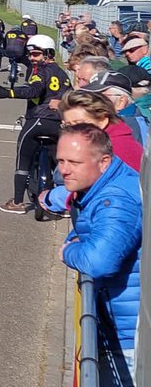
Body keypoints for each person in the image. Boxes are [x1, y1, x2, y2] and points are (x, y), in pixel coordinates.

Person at [38, 124, 141, 381]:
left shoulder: (115, 200)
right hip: (119, 326)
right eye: (61, 160)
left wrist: (69, 251)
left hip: (127, 340)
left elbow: (98, 261)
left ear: (104, 162)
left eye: (74, 162)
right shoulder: (104, 187)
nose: (64, 170)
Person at [0, 34, 71, 214]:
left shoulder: (40, 72)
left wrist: (9, 93)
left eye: (36, 54)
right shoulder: (64, 75)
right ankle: (62, 203)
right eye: (30, 54)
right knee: (60, 163)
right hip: (59, 123)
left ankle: (17, 202)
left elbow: (34, 90)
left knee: (23, 158)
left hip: (39, 120)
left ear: (48, 54)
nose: (32, 58)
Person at [58, 89, 142, 169]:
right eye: (68, 126)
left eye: (80, 124)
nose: (73, 130)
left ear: (102, 121)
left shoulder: (117, 149)